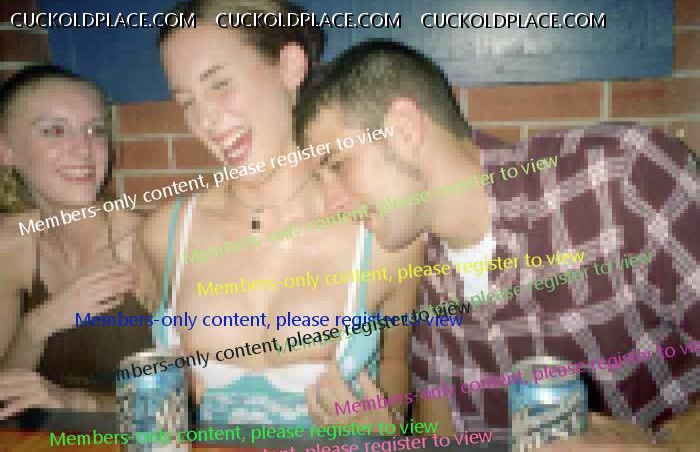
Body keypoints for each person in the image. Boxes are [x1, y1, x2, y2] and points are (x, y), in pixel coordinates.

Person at [294, 39, 699, 449]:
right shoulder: (424, 273)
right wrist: (387, 440)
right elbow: (442, 438)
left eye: (337, 165)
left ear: (404, 128)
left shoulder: (621, 178)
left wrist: (658, 445)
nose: (330, 205)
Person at [141, 0, 421, 428]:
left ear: (290, 66)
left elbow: (395, 362)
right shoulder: (165, 235)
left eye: (219, 84)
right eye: (187, 102)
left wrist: (387, 427)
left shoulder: (384, 233)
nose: (205, 121)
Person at [0, 66, 156, 422]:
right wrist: (35, 327)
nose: (84, 149)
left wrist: (79, 402)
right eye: (54, 130)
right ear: (6, 151)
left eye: (95, 130)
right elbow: (5, 407)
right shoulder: (11, 248)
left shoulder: (146, 243)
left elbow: (194, 400)